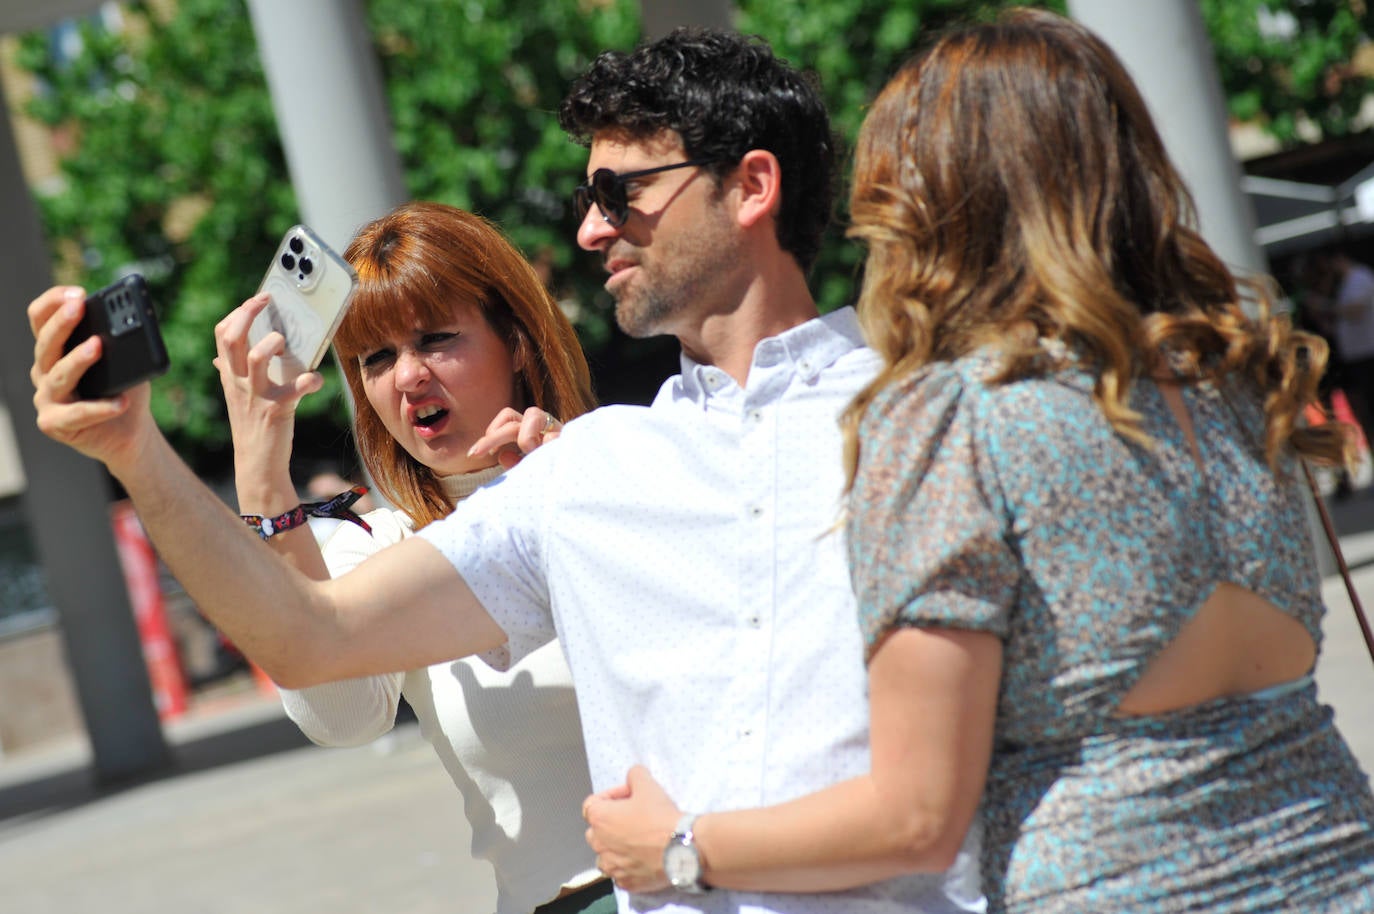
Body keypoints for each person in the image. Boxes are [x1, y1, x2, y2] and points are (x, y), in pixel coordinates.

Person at [28, 27, 982, 914]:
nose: (591, 232)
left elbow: (964, 786)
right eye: (374, 359)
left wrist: (685, 848)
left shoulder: (929, 414)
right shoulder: (593, 473)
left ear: (752, 186)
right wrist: (138, 452)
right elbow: (310, 644)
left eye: (621, 195)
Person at [580, 8, 1374, 913]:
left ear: (940, 196)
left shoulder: (955, 421)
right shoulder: (1236, 382)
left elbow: (917, 816)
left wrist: (678, 848)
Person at [216, 201, 608, 914]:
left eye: (436, 339)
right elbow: (339, 716)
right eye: (377, 357)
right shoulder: (380, 546)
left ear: (517, 341)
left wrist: (574, 495)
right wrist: (262, 473)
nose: (408, 377)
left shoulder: (622, 464)